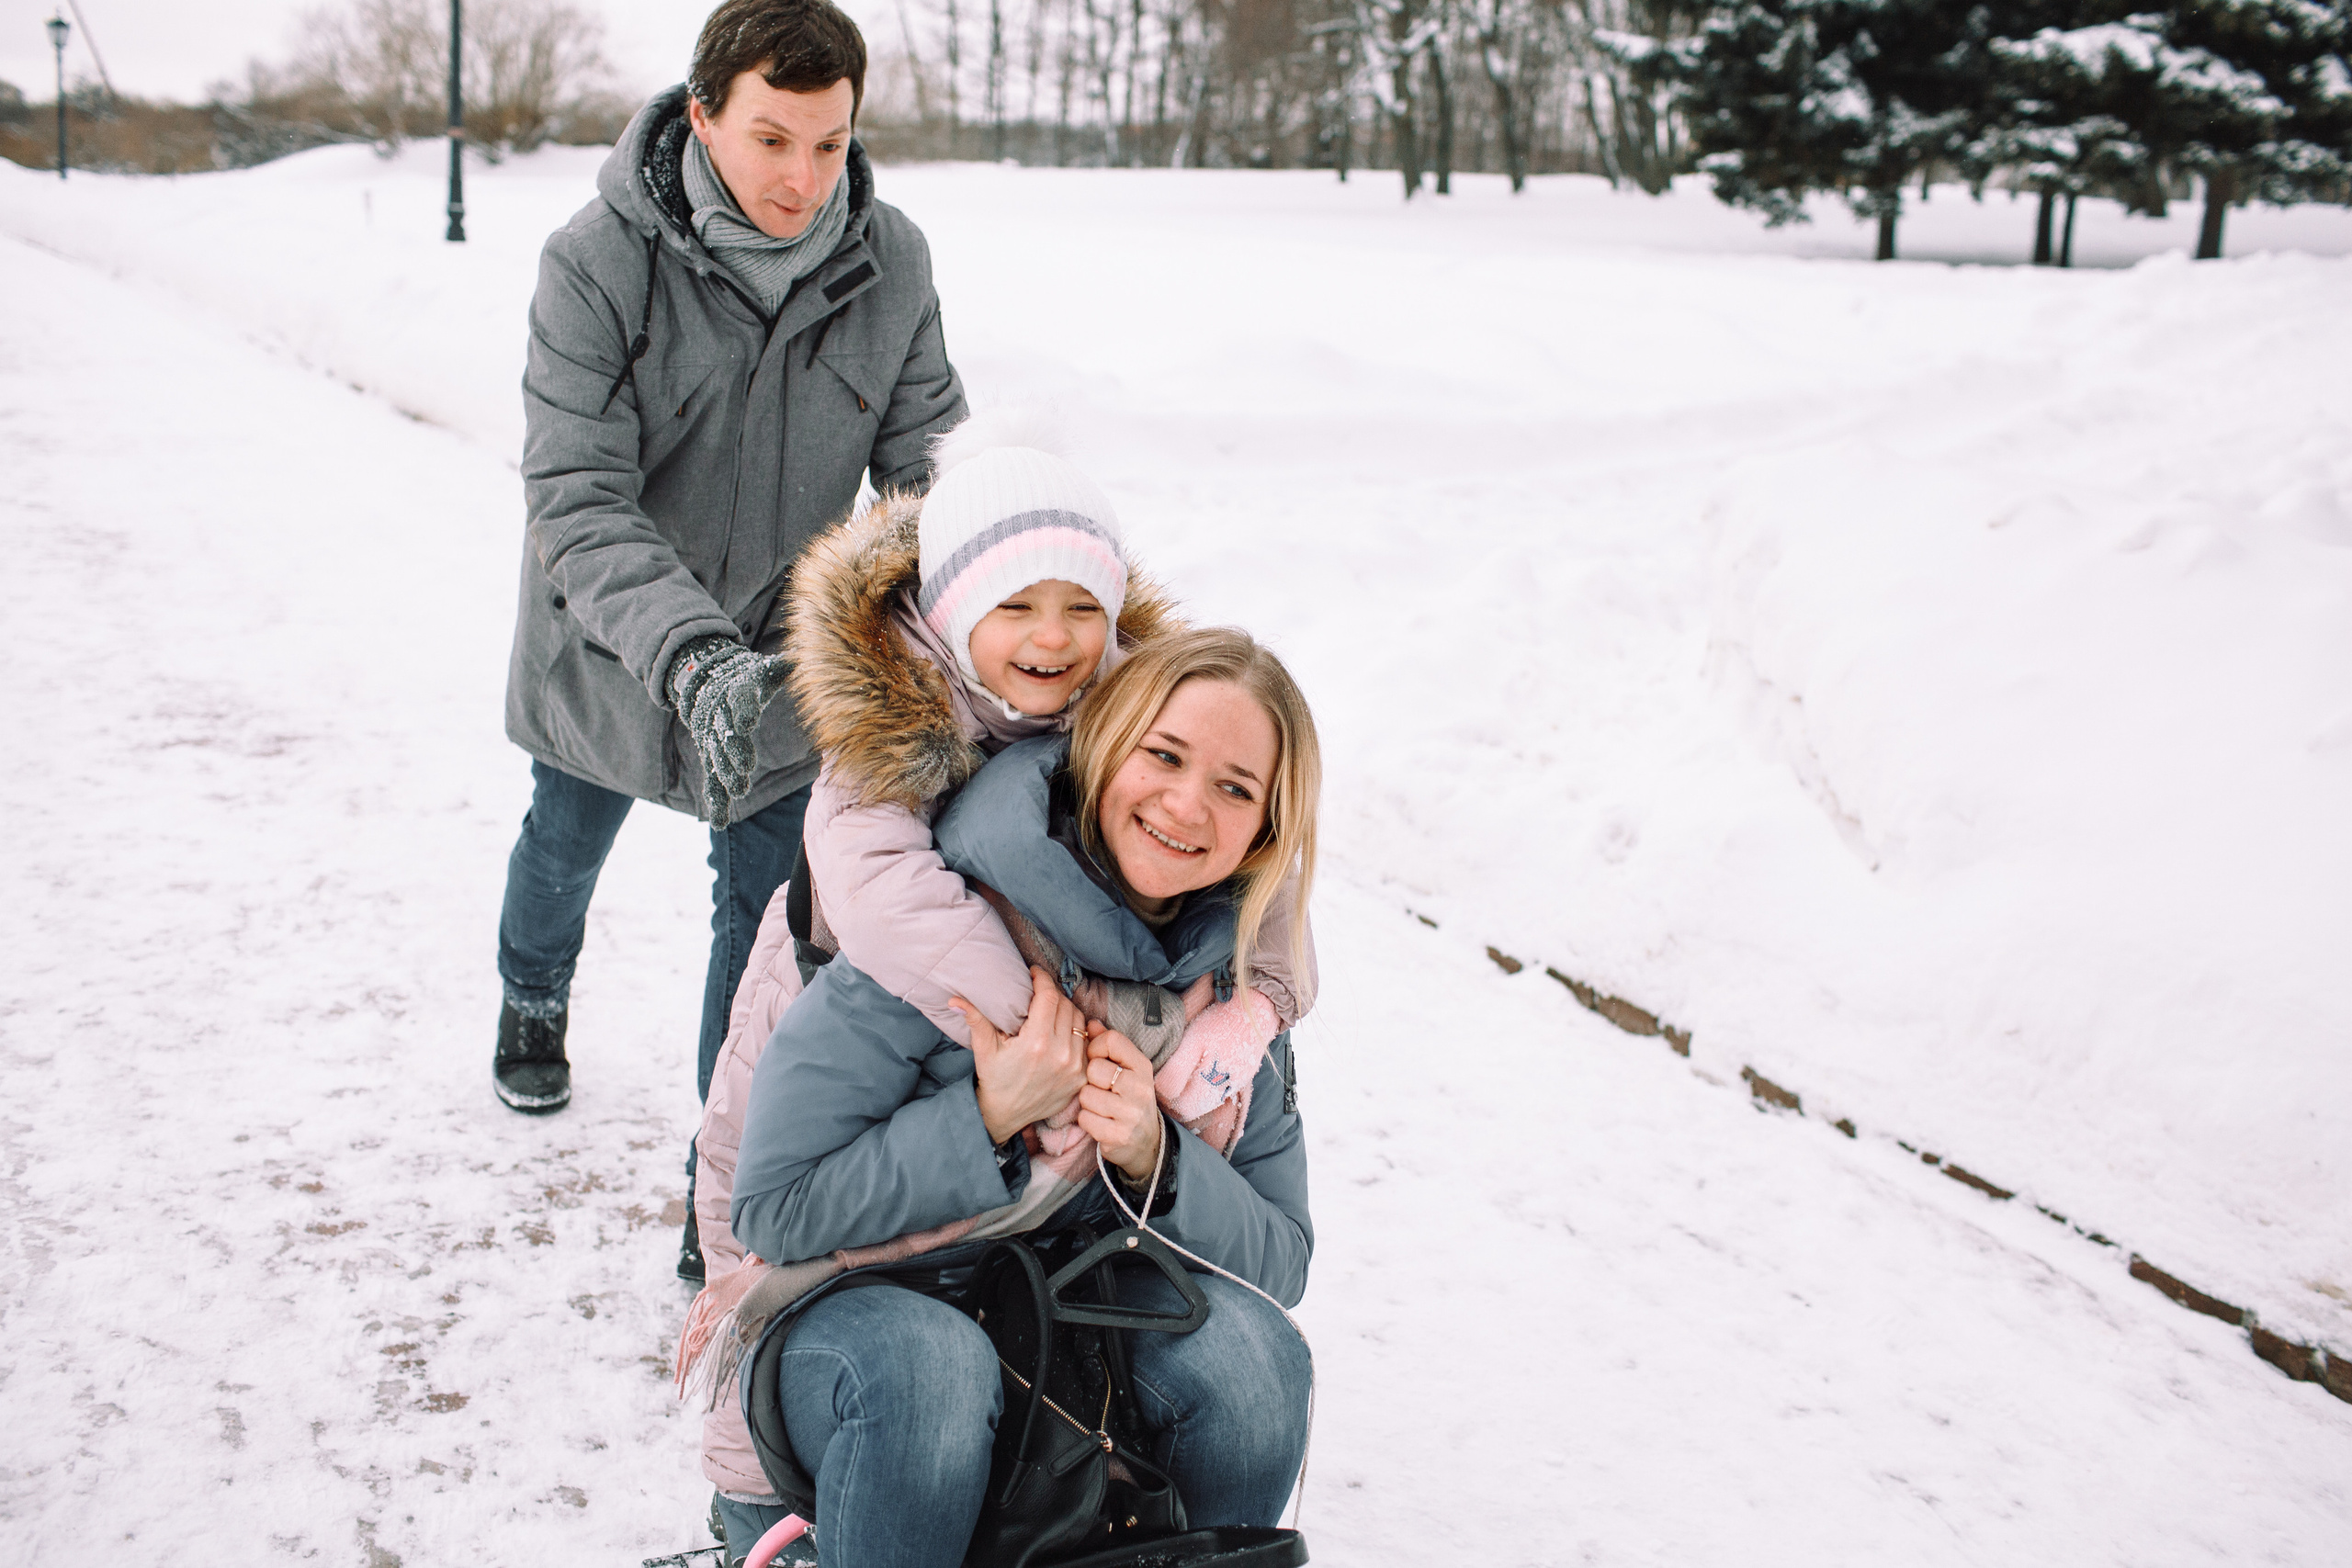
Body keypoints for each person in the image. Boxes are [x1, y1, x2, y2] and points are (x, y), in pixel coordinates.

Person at [491, 0, 964, 1283]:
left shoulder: (890, 263)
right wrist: (687, 655)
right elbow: (576, 497)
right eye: (771, 139)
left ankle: (727, 1174)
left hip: (778, 664)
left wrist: (992, 597)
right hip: (611, 645)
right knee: (562, 845)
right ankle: (532, 991)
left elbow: (928, 475)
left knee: (765, 931)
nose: (804, 180)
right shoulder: (596, 262)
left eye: (830, 143)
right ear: (701, 117)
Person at [690, 629, 1321, 1565]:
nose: (1189, 804)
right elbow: (774, 1208)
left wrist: (1158, 1158)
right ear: (1103, 743)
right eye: (1164, 755)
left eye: (1236, 788)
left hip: (1071, 1324)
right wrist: (985, 1118)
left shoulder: (1228, 995)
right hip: (859, 1317)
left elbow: (1283, 1258)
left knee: (1257, 1366)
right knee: (931, 1371)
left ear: (1265, 829)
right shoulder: (943, 920)